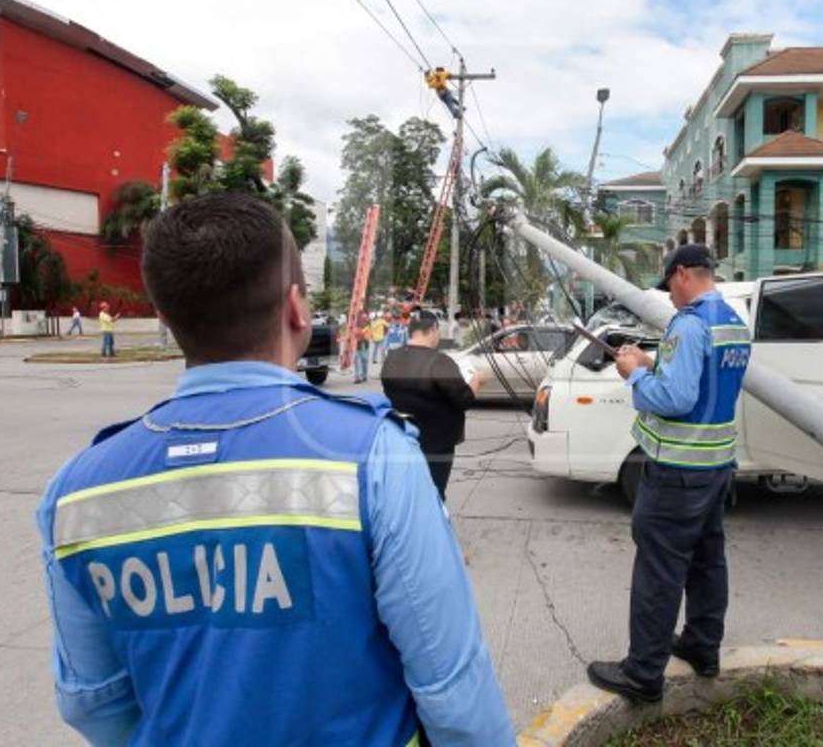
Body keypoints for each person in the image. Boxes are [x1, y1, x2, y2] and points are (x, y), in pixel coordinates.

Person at [35, 192, 511, 746]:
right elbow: (455, 692)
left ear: (166, 317)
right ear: (296, 309)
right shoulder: (375, 458)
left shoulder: (75, 492)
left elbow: (92, 702)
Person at [587, 243, 750, 704]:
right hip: (715, 467)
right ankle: (702, 646)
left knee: (658, 571)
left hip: (677, 469)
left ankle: (642, 675)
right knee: (707, 561)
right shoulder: (732, 323)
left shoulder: (689, 323)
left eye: (670, 286)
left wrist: (633, 374)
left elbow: (677, 399)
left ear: (682, 274)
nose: (670, 297)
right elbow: (703, 381)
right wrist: (651, 362)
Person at [381, 309, 483, 500]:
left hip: (402, 438)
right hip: (436, 445)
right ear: (434, 329)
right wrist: (476, 380)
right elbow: (464, 399)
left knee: (407, 493)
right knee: (434, 493)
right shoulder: (439, 361)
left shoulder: (391, 358)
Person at [353, 314, 371, 383]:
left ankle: (364, 376)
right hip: (357, 347)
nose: (363, 322)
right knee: (357, 362)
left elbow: (367, 338)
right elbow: (353, 337)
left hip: (365, 347)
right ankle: (357, 377)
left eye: (365, 321)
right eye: (362, 321)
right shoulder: (356, 328)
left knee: (364, 362)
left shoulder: (368, 329)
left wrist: (360, 335)